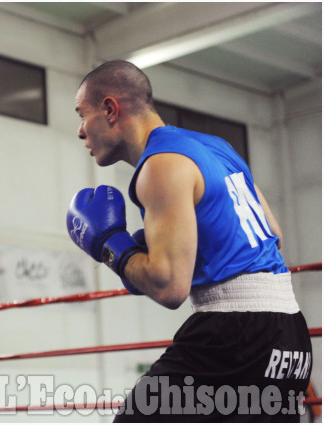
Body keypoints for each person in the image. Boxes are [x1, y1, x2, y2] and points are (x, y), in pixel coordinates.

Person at [67, 60, 312, 421]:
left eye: (81, 114)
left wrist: (112, 247)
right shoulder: (217, 147)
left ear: (109, 108)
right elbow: (271, 233)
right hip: (291, 335)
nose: (79, 131)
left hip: (236, 334)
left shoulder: (161, 165)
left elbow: (169, 288)